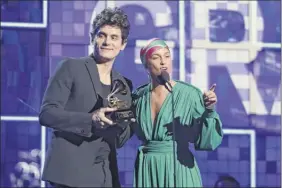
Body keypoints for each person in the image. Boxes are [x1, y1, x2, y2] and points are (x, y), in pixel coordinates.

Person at [39, 7, 134, 188]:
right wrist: (90, 119)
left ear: (123, 44)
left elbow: (120, 139)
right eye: (102, 35)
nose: (107, 42)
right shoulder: (71, 67)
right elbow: (47, 114)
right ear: (92, 38)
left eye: (114, 37)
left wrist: (128, 124)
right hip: (70, 174)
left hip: (105, 175)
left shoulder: (124, 85)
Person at [131, 38, 224, 187]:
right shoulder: (138, 97)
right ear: (146, 65)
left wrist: (209, 111)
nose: (163, 62)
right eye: (156, 57)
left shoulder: (189, 94)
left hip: (179, 168)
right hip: (148, 167)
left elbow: (208, 142)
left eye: (167, 56)